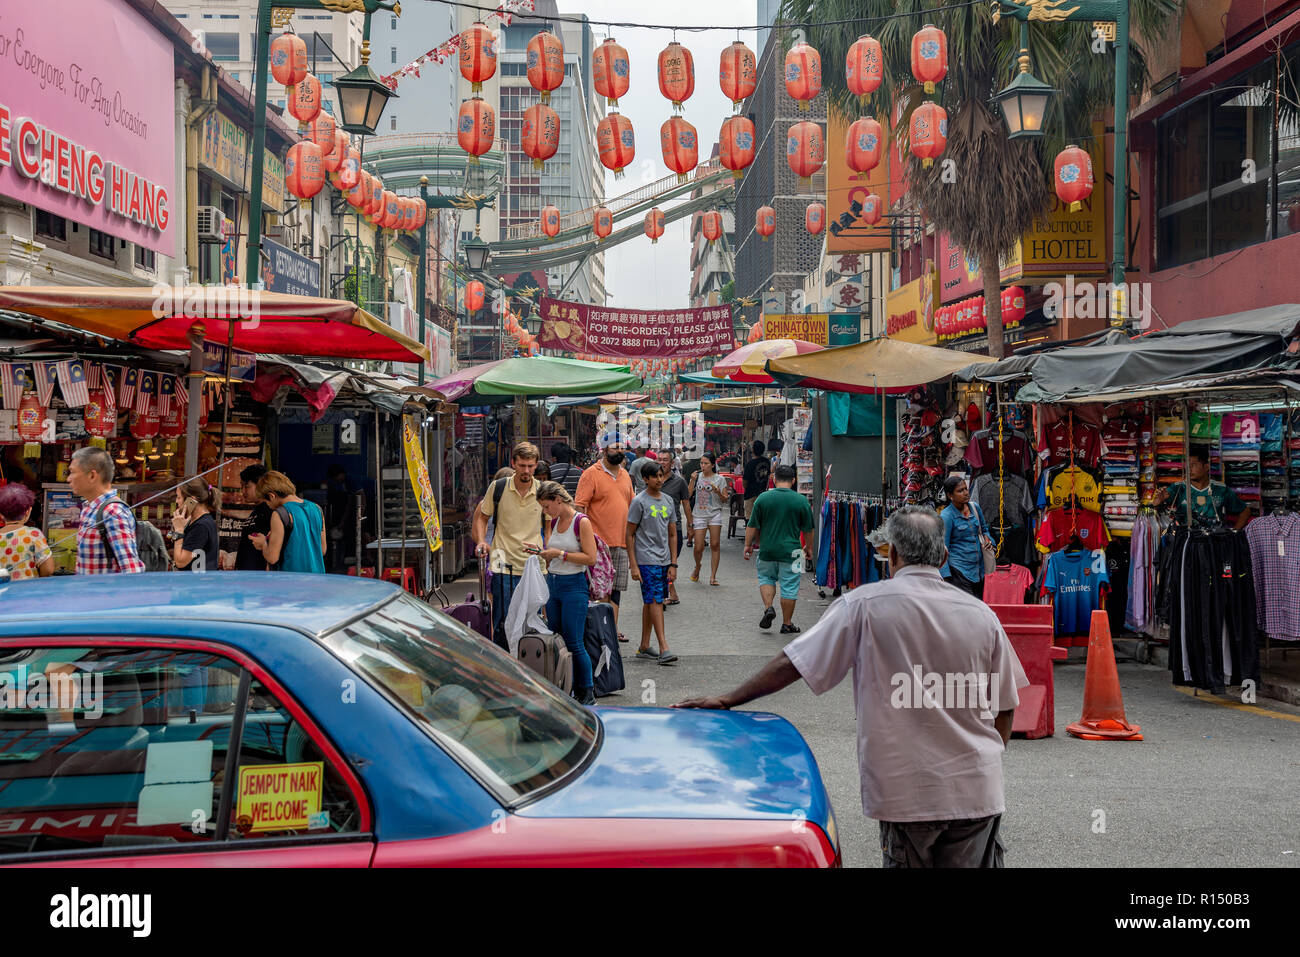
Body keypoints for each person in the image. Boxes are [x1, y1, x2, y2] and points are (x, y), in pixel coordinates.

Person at [675, 506, 1028, 868]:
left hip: (907, 794)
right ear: (944, 555)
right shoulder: (981, 615)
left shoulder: (863, 606)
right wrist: (984, 758)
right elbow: (1006, 705)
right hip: (976, 791)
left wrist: (728, 698)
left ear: (892, 553)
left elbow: (793, 663)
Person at [536, 480, 597, 705]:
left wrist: (559, 554)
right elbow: (555, 549)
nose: (545, 511)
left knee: (574, 640)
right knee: (556, 637)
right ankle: (564, 685)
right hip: (555, 584)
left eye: (546, 506)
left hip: (574, 585)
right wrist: (543, 552)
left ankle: (587, 690)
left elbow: (590, 558)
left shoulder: (581, 522)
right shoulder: (556, 519)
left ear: (558, 501)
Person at [472, 443, 544, 635]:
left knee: (532, 624)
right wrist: (481, 540)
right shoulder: (498, 487)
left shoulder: (543, 491)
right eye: (522, 465)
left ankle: (527, 663)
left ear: (536, 465)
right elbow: (482, 517)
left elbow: (552, 527)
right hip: (501, 562)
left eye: (530, 466)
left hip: (533, 564)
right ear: (513, 463)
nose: (526, 471)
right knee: (503, 624)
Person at [575, 434, 635, 638]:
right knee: (600, 590)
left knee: (616, 589)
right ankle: (598, 632)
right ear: (603, 450)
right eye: (615, 447)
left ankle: (611, 630)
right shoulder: (591, 474)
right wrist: (584, 538)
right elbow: (580, 506)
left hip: (621, 542)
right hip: (598, 543)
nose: (619, 451)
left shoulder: (625, 475)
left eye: (622, 448)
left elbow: (630, 505)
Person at [744, 464, 814, 634]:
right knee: (790, 586)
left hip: (767, 549)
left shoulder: (763, 498)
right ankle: (787, 623)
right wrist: (809, 547)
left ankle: (769, 607)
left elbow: (752, 525)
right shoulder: (801, 501)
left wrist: (748, 545)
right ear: (794, 480)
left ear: (774, 479)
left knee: (766, 578)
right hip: (794, 552)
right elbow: (808, 529)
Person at [626, 462, 679, 665]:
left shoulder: (667, 501)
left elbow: (672, 533)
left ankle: (645, 645)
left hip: (664, 559)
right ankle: (664, 647)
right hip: (646, 560)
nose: (659, 479)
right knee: (656, 600)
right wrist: (633, 564)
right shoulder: (639, 502)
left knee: (651, 600)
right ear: (645, 479)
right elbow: (629, 534)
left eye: (661, 475)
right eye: (654, 476)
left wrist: (673, 563)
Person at [69, 446, 144, 575]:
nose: (68, 478)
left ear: (92, 476)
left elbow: (131, 570)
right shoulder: (89, 508)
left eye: (72, 472)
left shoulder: (112, 512)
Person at [1156, 445, 1250, 530]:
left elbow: (1245, 511)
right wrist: (1159, 500)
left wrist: (1234, 532)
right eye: (1187, 465)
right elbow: (1157, 504)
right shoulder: (1178, 488)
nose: (1189, 469)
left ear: (1206, 466)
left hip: (1213, 542)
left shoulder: (1220, 489)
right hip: (1187, 541)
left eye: (1193, 465)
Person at [252, 470, 327, 573]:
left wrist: (263, 544)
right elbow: (322, 549)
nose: (267, 506)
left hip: (291, 582)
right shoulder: (317, 508)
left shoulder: (280, 514)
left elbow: (272, 558)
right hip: (316, 579)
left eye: (265, 502)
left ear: (271, 496)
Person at [940, 474, 991, 599]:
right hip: (959, 570)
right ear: (950, 496)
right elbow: (942, 548)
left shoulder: (974, 508)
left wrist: (988, 539)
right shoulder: (947, 516)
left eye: (966, 489)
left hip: (978, 570)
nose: (966, 493)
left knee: (978, 605)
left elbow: (984, 529)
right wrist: (945, 577)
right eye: (960, 491)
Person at [688, 451, 730, 585]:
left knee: (715, 544)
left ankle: (713, 576)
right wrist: (692, 480)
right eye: (701, 463)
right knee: (698, 547)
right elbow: (688, 495)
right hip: (699, 514)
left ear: (712, 465)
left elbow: (724, 499)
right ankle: (697, 566)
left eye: (706, 463)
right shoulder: (697, 476)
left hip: (714, 513)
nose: (703, 465)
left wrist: (717, 491)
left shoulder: (720, 479)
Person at [0, 484, 53, 580]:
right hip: (27, 593)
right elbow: (48, 569)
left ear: (1, 515)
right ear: (28, 512)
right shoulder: (33, 534)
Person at [169, 477, 221, 572]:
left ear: (191, 500)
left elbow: (180, 562)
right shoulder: (195, 521)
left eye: (178, 497)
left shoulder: (201, 526)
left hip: (197, 583)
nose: (176, 501)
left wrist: (179, 531)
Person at [660, 461, 691, 605]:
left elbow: (686, 503)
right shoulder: (652, 479)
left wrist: (690, 525)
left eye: (665, 459)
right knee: (664, 562)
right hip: (657, 528)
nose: (662, 462)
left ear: (672, 463)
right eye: (659, 459)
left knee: (671, 560)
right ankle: (668, 593)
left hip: (675, 527)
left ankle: (671, 593)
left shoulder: (679, 482)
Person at [235, 463, 273, 570]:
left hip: (258, 579)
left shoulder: (271, 512)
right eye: (241, 486)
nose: (243, 491)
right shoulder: (256, 511)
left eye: (246, 486)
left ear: (261, 484)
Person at [742, 440, 771, 522]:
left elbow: (744, 482)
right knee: (761, 520)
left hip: (750, 494)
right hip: (763, 494)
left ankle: (750, 535)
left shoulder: (750, 464)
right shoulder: (766, 462)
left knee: (750, 520)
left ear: (753, 450)